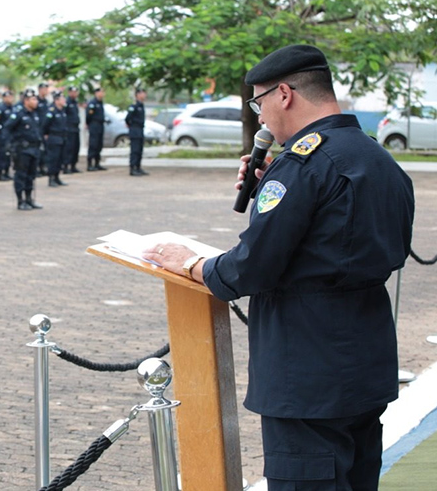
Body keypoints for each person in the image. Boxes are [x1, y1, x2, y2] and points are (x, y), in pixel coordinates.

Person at [143, 44, 415, 491]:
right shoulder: (375, 157)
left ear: (284, 93)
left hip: (307, 369)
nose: (261, 116)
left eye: (259, 102)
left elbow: (250, 269)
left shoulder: (302, 166)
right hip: (366, 359)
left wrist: (190, 262)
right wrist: (274, 178)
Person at [3, 88, 43, 211]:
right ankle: (20, 201)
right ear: (26, 101)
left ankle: (29, 199)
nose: (36, 102)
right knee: (21, 175)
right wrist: (9, 145)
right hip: (22, 150)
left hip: (34, 149)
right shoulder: (18, 114)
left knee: (31, 176)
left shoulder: (34, 114)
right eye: (33, 99)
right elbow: (7, 129)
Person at [42, 90, 68, 187]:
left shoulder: (62, 111)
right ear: (56, 100)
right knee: (53, 159)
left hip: (62, 137)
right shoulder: (51, 111)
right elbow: (45, 125)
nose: (64, 100)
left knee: (60, 159)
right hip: (54, 138)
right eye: (62, 99)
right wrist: (46, 134)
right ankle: (51, 178)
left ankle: (57, 177)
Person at [125, 88, 149, 176]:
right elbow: (127, 118)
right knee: (134, 150)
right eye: (142, 93)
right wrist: (131, 125)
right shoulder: (134, 106)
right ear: (137, 95)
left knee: (139, 150)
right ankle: (132, 168)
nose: (144, 95)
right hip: (135, 130)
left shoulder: (141, 105)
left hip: (140, 129)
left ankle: (138, 167)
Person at [85, 86, 107, 171]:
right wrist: (88, 124)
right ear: (96, 93)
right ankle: (90, 164)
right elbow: (89, 116)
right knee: (93, 144)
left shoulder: (100, 103)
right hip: (94, 125)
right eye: (101, 92)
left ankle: (97, 163)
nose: (102, 94)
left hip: (100, 125)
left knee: (99, 145)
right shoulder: (92, 103)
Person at [63, 86, 81, 174]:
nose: (74, 94)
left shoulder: (75, 102)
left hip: (75, 128)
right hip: (69, 129)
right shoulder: (66, 102)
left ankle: (73, 165)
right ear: (69, 92)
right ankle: (66, 166)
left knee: (76, 148)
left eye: (75, 92)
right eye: (72, 92)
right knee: (68, 148)